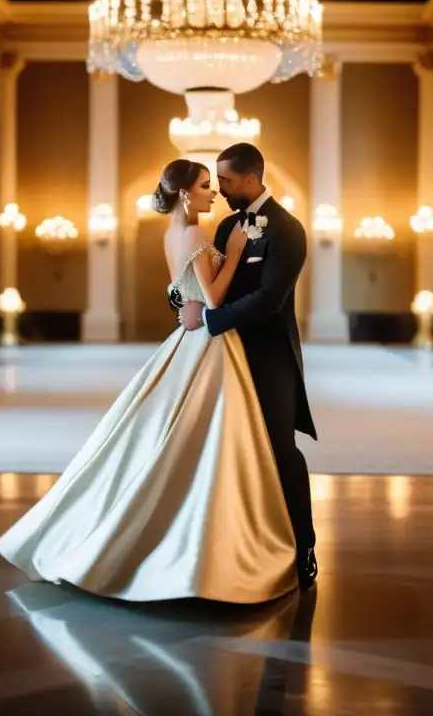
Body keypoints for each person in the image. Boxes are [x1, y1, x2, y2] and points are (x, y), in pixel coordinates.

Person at [0, 157, 305, 604]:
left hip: (194, 337)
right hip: (210, 342)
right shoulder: (202, 233)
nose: (214, 191)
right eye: (205, 185)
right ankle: (207, 549)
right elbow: (212, 296)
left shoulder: (173, 233)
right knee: (209, 436)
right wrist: (234, 256)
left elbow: (180, 292)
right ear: (184, 194)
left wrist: (191, 303)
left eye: (220, 182)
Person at [177, 142, 318, 590]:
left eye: (227, 181)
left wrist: (212, 319)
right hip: (225, 355)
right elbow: (209, 279)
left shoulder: (288, 229)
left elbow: (269, 300)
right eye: (215, 182)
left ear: (253, 178)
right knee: (228, 450)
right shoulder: (224, 226)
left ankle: (304, 547)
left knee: (280, 450)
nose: (220, 189)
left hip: (269, 356)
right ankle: (240, 549)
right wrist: (183, 301)